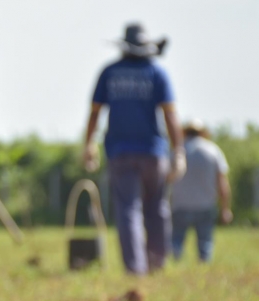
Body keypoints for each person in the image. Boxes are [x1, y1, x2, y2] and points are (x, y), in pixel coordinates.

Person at [83, 23, 186, 275]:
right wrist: (179, 151)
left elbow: (95, 113)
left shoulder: (109, 72)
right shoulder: (156, 73)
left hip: (120, 152)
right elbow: (171, 116)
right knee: (156, 207)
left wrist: (89, 144)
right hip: (153, 152)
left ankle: (135, 268)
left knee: (128, 209)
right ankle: (156, 263)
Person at [170, 120, 232, 262]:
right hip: (206, 205)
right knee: (205, 244)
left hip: (180, 204)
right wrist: (225, 208)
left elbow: (166, 178)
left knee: (176, 243)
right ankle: (204, 269)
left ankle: (175, 265)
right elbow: (222, 183)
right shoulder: (213, 150)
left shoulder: (177, 151)